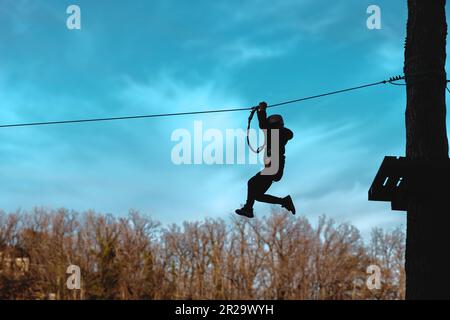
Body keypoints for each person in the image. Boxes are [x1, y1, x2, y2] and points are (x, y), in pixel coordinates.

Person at [236, 101, 296, 218]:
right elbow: (264, 126)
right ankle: (284, 201)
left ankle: (248, 209)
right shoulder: (276, 134)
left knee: (252, 183)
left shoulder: (277, 133)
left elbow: (263, 125)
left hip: (274, 168)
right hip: (273, 168)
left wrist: (262, 110)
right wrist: (260, 111)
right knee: (257, 195)